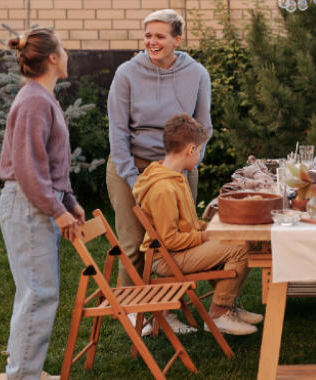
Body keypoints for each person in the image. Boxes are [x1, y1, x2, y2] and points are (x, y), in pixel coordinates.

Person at [0, 28, 85, 380]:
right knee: (37, 293)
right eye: (63, 49)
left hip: (35, 201)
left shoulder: (41, 97)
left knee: (36, 292)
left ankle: (24, 371)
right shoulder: (34, 100)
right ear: (52, 57)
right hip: (28, 203)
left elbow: (48, 164)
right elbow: (29, 170)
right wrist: (58, 211)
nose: (66, 54)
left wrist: (69, 200)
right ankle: (21, 376)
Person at [106, 9, 212, 298]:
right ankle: (132, 308)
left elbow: (204, 127)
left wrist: (188, 165)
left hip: (178, 167)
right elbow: (117, 132)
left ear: (177, 39)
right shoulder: (127, 74)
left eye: (160, 36)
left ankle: (170, 307)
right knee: (133, 242)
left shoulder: (197, 74)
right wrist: (132, 179)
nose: (152, 42)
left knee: (178, 240)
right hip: (130, 164)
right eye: (148, 36)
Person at [133, 114, 263, 335]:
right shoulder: (163, 188)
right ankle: (219, 314)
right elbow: (169, 240)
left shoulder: (176, 176)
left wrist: (206, 227)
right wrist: (205, 237)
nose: (200, 155)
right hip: (165, 258)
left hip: (177, 250)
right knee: (239, 247)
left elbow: (186, 223)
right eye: (200, 150)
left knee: (239, 239)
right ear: (190, 150)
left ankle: (228, 306)